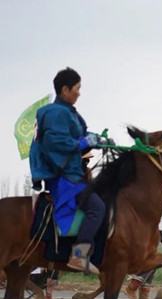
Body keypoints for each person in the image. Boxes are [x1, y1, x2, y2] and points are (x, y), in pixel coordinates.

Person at [29, 67, 108, 275]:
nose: (79, 93)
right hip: (64, 179)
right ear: (65, 90)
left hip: (72, 175)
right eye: (77, 89)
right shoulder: (56, 113)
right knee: (97, 208)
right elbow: (57, 142)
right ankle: (78, 256)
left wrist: (97, 139)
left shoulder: (66, 112)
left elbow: (79, 136)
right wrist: (84, 141)